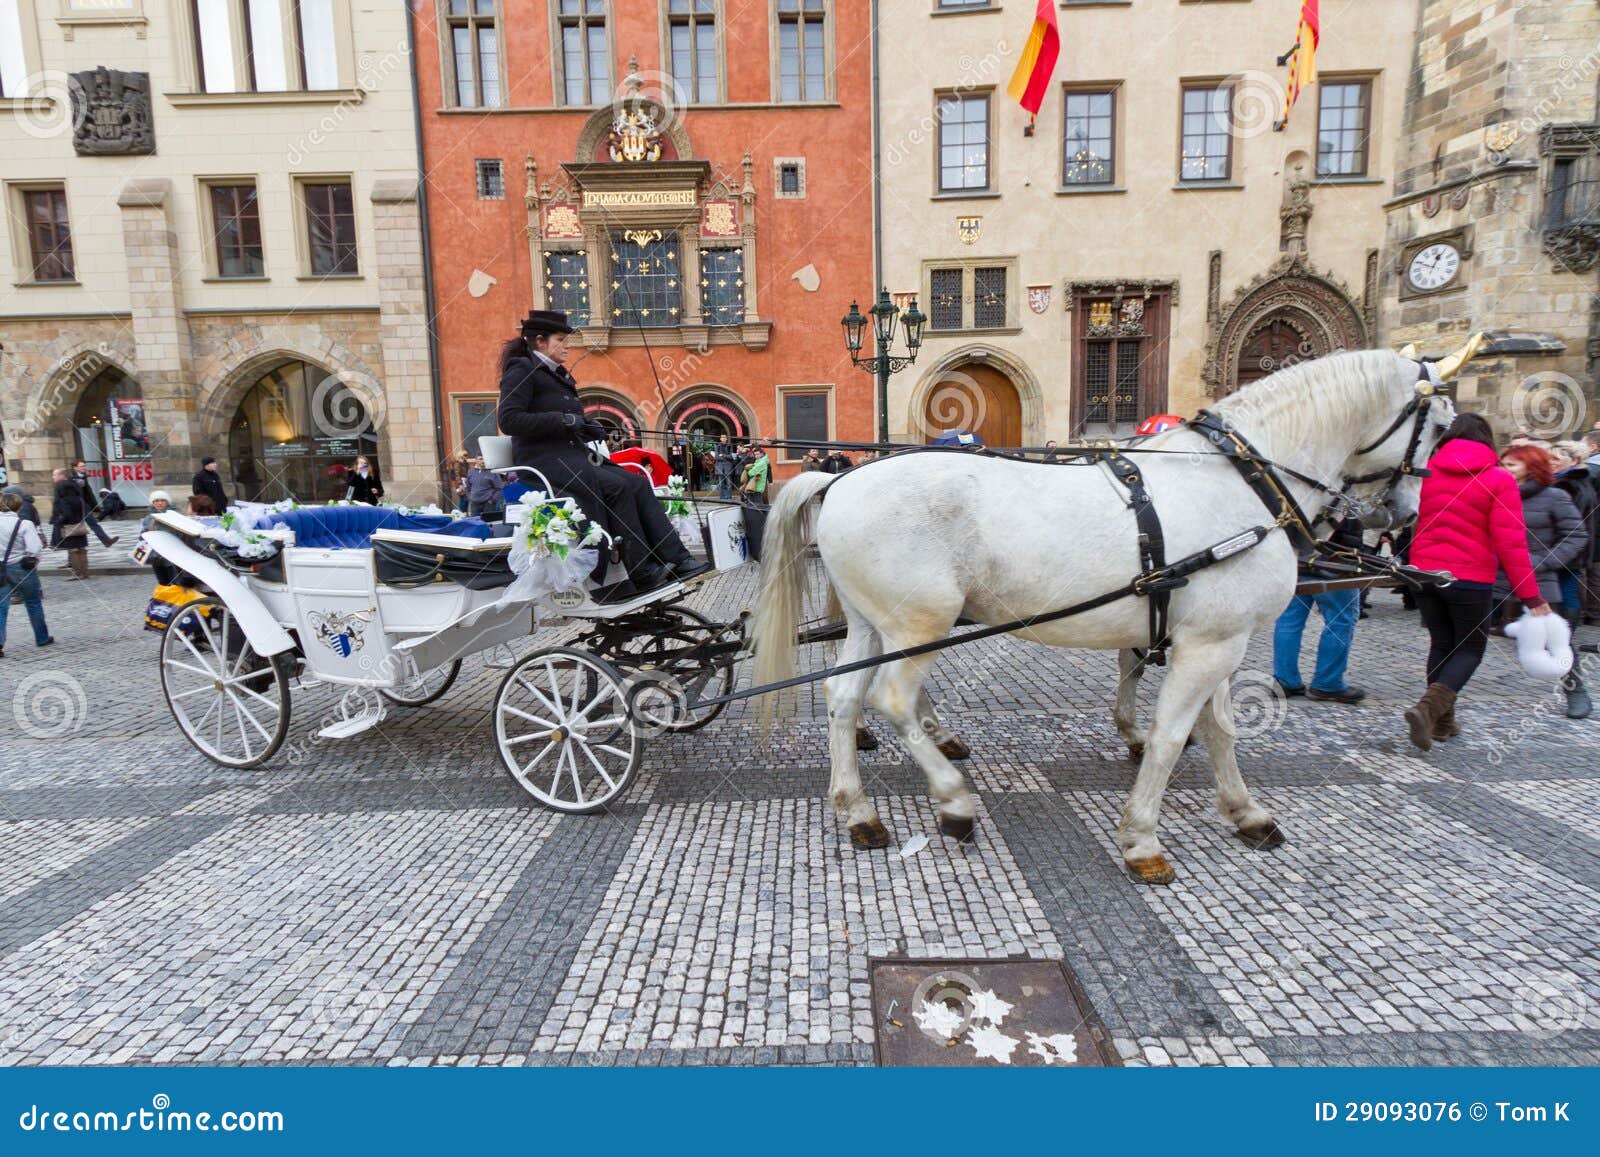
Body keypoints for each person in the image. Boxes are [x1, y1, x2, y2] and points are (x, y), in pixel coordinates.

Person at [498, 310, 709, 597]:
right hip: (543, 461)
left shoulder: (556, 375)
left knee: (635, 480)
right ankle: (641, 571)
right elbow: (509, 420)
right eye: (560, 340)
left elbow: (564, 420)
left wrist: (586, 427)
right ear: (539, 342)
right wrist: (564, 421)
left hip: (570, 455)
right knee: (617, 486)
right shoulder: (521, 370)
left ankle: (677, 558)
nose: (567, 346)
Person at [1405, 414, 1551, 748]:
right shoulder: (1498, 479)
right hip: (1470, 578)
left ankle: (1443, 723)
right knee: (1470, 648)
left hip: (1425, 575)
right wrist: (1531, 597)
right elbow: (1511, 544)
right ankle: (1428, 711)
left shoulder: (1428, 472)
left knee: (1442, 644)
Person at [1498, 444, 1590, 718]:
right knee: (1468, 638)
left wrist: (1543, 561)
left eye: (1512, 465)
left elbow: (1576, 536)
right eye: (1503, 465)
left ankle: (1576, 692)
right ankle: (1442, 702)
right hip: (1494, 576)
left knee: (1556, 639)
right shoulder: (1494, 494)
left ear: (1531, 467)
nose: (1505, 470)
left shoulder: (1555, 497)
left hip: (1539, 578)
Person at [1272, 517, 1367, 703]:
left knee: (1288, 621)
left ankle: (1284, 680)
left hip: (1299, 560)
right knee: (1341, 621)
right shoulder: (1348, 493)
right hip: (1336, 561)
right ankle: (1328, 683)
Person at [0, 491, 52, 658]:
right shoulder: (25, 524)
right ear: (19, 506)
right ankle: (41, 637)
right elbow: (35, 549)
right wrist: (33, 560)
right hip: (21, 567)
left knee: (1, 607)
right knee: (33, 602)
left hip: (0, 567)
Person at [49, 467, 89, 581]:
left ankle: (77, 573)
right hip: (79, 524)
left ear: (62, 476)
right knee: (81, 549)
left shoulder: (62, 495)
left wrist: (58, 521)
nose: (53, 477)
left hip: (69, 525)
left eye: (54, 475)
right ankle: (84, 572)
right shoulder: (76, 493)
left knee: (74, 550)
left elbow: (65, 513)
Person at [69, 460, 118, 547]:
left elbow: (88, 493)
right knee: (74, 528)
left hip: (84, 505)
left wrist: (94, 506)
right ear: (75, 468)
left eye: (84, 466)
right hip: (75, 506)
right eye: (81, 466)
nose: (84, 467)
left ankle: (106, 540)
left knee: (93, 523)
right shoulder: (71, 477)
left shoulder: (84, 477)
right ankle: (72, 552)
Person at [714, 435, 737, 500]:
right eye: (722, 437)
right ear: (720, 439)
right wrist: (726, 457)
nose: (723, 439)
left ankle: (729, 496)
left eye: (724, 437)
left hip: (728, 466)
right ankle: (721, 497)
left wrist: (723, 455)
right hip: (720, 466)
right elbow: (716, 457)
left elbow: (731, 456)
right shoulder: (717, 446)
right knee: (721, 483)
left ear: (726, 439)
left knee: (729, 483)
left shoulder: (730, 446)